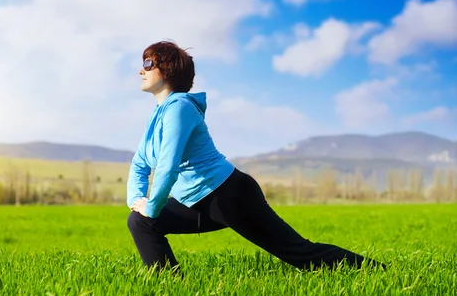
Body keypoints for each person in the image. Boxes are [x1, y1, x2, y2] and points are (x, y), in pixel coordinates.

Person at [126, 41, 385, 273]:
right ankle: (169, 289)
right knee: (141, 221)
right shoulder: (157, 115)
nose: (142, 70)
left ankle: (380, 271)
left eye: (148, 64)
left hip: (228, 195)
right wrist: (137, 199)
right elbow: (140, 163)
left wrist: (153, 205)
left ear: (168, 70)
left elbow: (168, 165)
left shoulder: (180, 107)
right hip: (195, 201)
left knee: (301, 255)